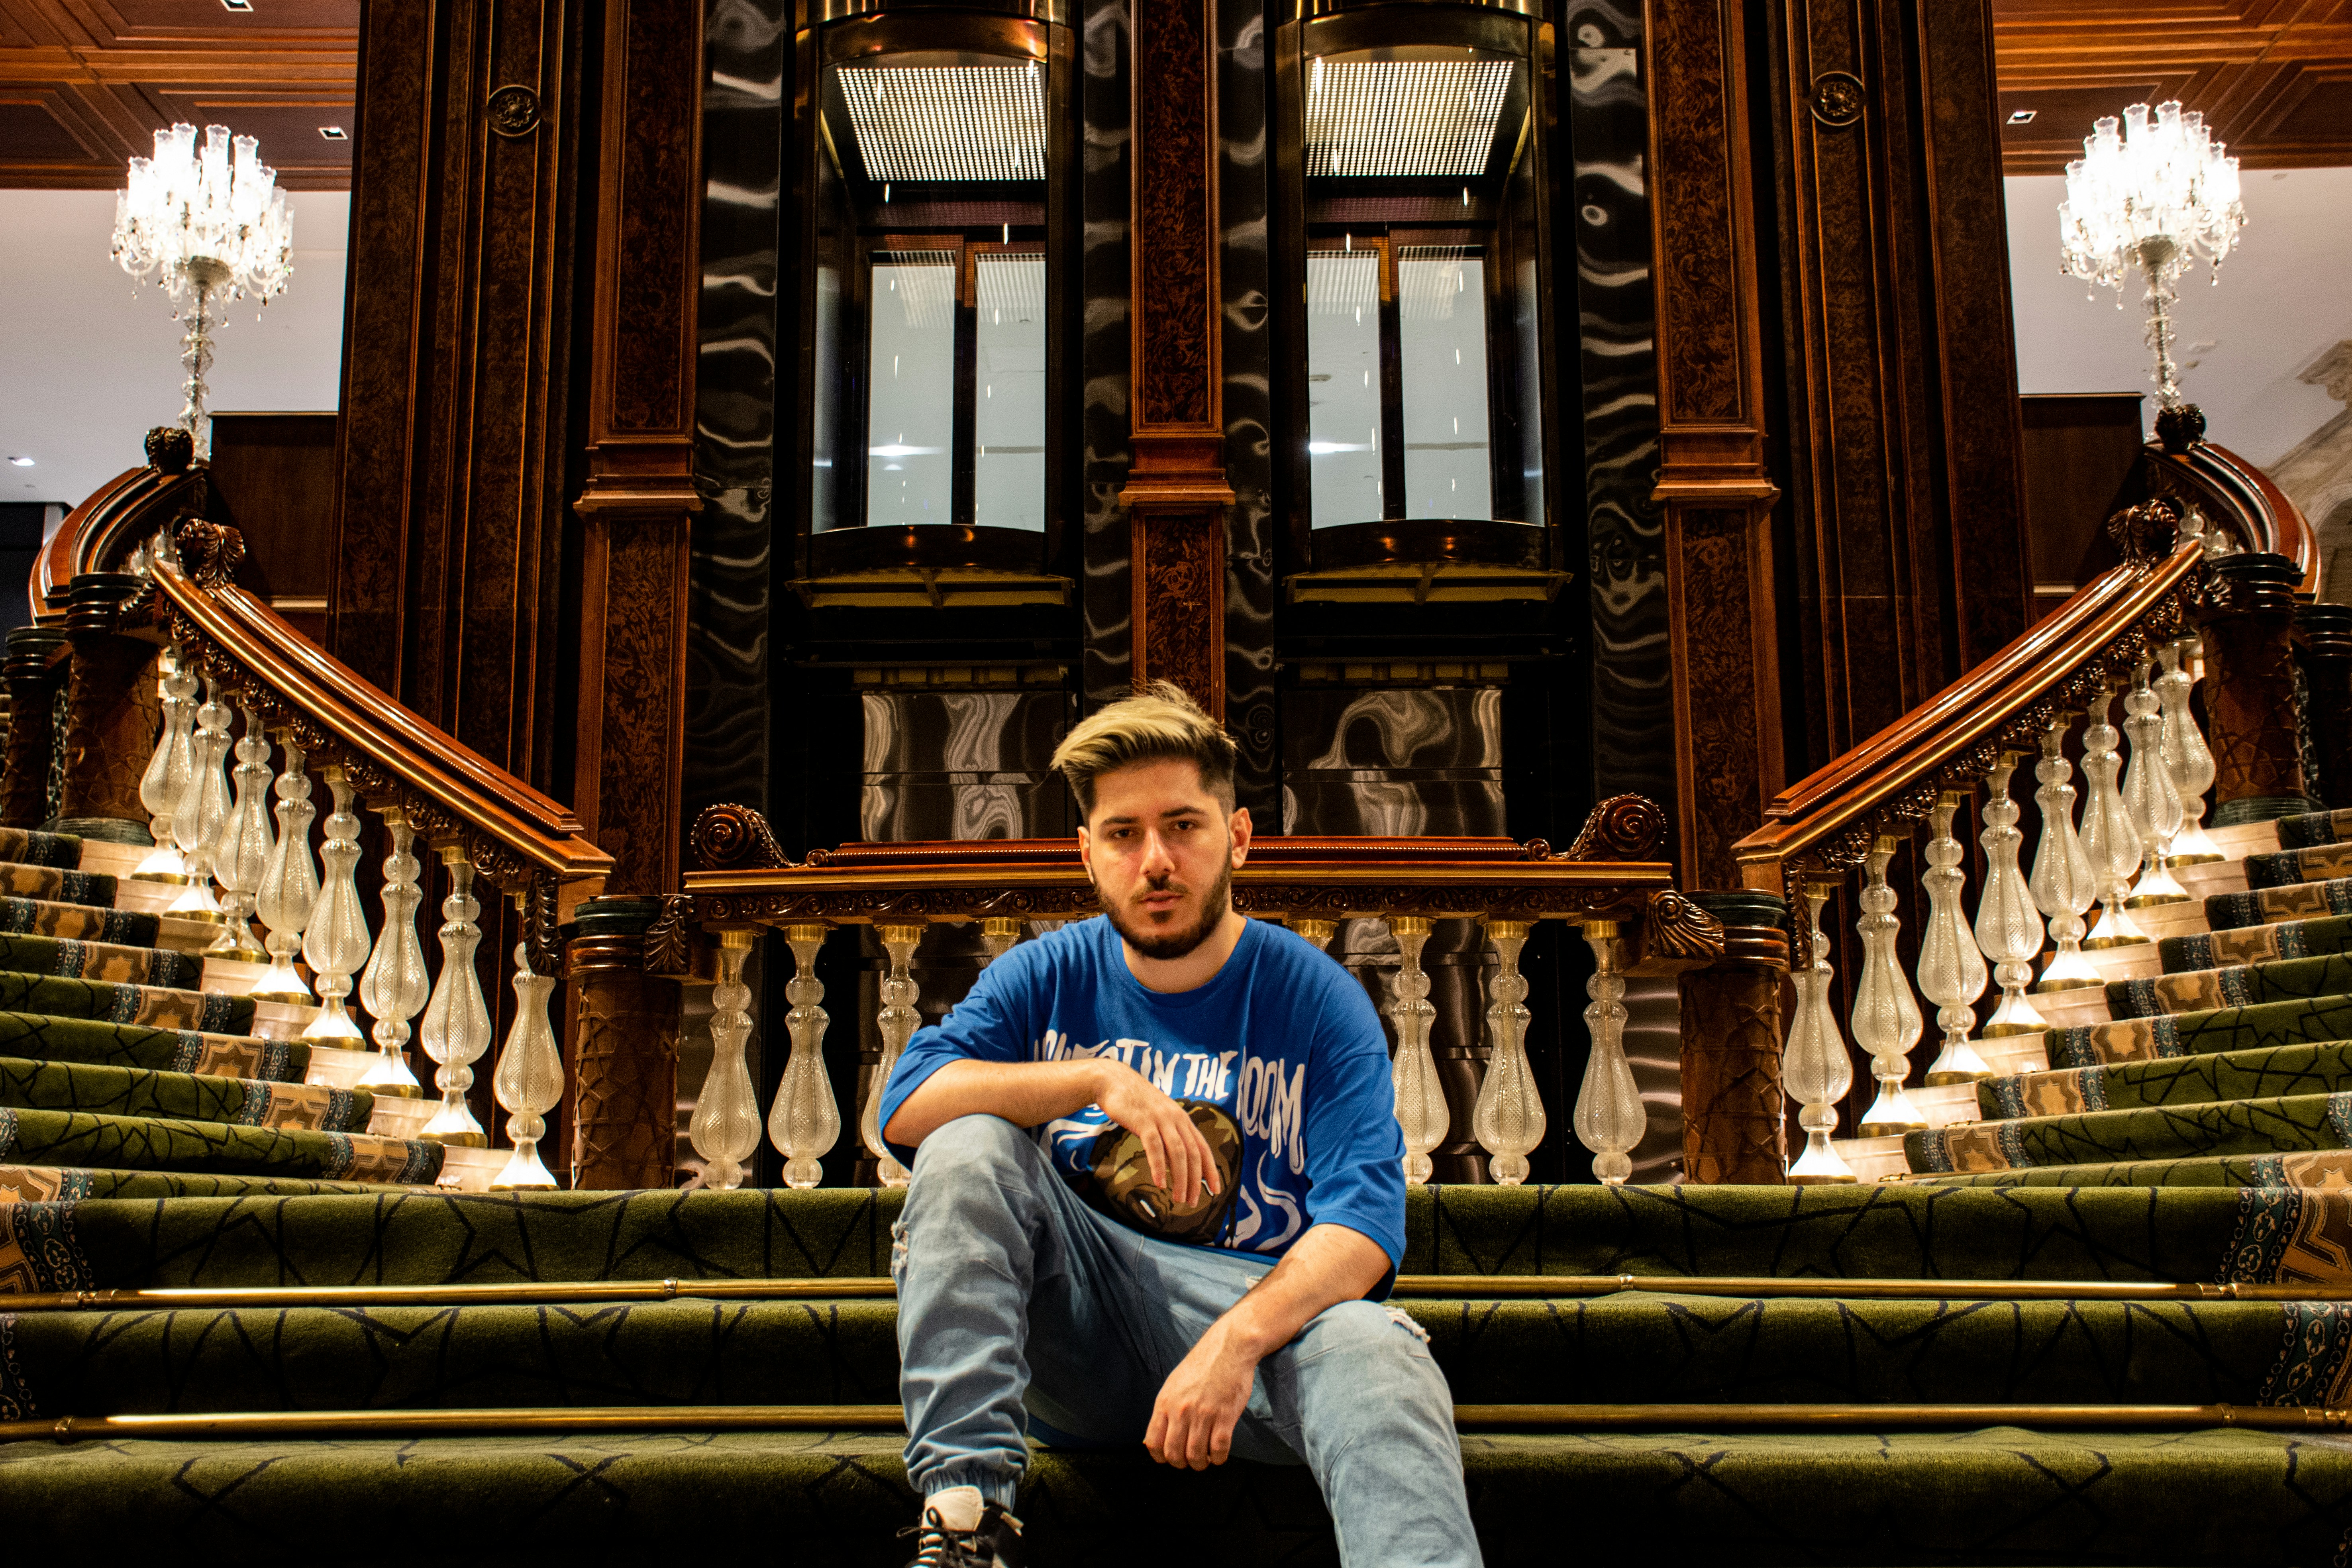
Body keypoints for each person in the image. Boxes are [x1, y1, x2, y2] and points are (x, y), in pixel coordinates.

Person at [879, 681, 1483, 1566]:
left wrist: (1232, 1343)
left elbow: (1364, 1230)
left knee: (1376, 1343)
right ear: (1088, 855)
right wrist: (1094, 1077)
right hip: (1074, 1330)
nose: (1154, 860)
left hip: (1250, 1325)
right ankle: (968, 1526)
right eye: (1123, 835)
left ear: (1236, 836)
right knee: (969, 1144)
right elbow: (905, 1110)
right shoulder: (1043, 975)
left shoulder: (1318, 999)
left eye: (1184, 826)